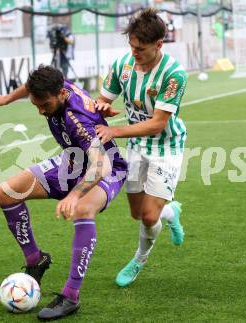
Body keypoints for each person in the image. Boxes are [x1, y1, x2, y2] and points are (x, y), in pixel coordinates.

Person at [0, 65, 127, 320]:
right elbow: (32, 86)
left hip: (108, 167)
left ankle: (71, 295)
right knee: (6, 193)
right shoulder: (52, 86)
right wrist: (7, 99)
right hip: (71, 162)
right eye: (35, 105)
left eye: (45, 105)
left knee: (82, 208)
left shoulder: (78, 119)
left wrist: (74, 196)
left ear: (61, 93)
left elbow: (101, 166)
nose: (41, 111)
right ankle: (35, 260)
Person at [95, 8, 187, 288]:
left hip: (166, 147)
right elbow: (102, 99)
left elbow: (157, 124)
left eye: (141, 48)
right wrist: (103, 108)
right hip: (136, 145)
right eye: (131, 46)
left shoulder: (174, 74)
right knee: (137, 213)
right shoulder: (122, 65)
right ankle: (171, 212)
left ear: (159, 44)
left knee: (148, 217)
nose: (134, 52)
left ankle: (139, 260)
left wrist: (114, 131)